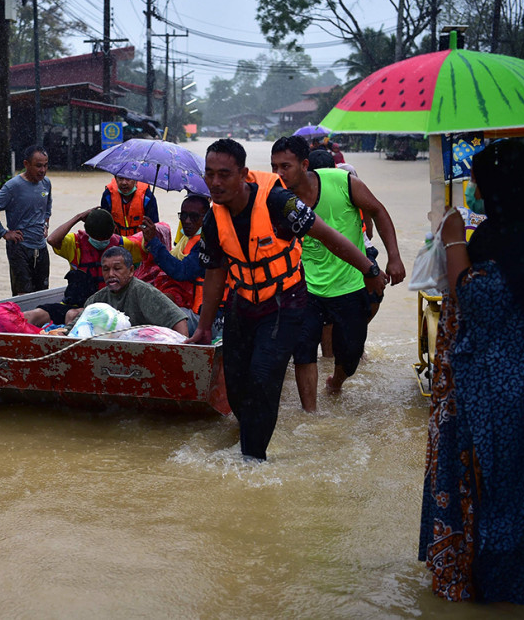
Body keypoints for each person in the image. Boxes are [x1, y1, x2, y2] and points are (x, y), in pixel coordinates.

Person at [418, 139, 524, 604]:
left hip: (494, 396)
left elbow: (475, 298)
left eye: (480, 181)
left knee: (496, 485)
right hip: (498, 389)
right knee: (505, 488)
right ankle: (486, 583)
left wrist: (455, 236)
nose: (474, 189)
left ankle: (488, 586)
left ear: (502, 187)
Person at [188, 139, 387, 461]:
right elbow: (215, 273)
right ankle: (251, 435)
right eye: (209, 174)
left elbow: (327, 235)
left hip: (286, 300)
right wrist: (205, 327)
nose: (215, 183)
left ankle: (252, 461)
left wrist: (370, 268)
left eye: (224, 174)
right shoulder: (214, 219)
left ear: (243, 174)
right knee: (236, 385)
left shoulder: (279, 202)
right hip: (243, 301)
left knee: (264, 378)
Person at [271, 136, 406, 412]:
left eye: (285, 166)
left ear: (304, 165)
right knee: (304, 349)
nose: (278, 174)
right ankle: (310, 414)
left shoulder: (342, 182)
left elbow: (377, 210)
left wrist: (394, 257)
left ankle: (337, 381)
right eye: (274, 167)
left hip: (351, 282)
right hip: (305, 285)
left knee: (352, 355)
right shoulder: (278, 199)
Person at [25, 207, 143, 326]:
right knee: (33, 315)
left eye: (105, 240)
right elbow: (52, 239)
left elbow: (147, 252)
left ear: (114, 231)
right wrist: (78, 217)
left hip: (107, 308)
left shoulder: (125, 245)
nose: (101, 243)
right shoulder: (75, 243)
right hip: (72, 303)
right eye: (96, 239)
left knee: (72, 315)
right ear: (87, 232)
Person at [0, 144, 52, 296]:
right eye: (38, 166)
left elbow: (48, 205)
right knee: (22, 295)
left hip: (40, 245)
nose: (42, 170)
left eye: (45, 165)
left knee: (42, 293)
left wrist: (46, 224)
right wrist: (3, 233)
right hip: (19, 246)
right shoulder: (13, 186)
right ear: (26, 164)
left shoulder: (46, 183)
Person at [140, 194, 211, 333]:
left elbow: (181, 271)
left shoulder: (207, 244)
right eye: (183, 216)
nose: (187, 221)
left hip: (202, 317)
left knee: (152, 319)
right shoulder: (188, 239)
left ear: (206, 218)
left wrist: (154, 241)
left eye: (194, 217)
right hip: (189, 305)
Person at [81, 246, 189, 335]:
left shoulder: (144, 292)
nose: (110, 274)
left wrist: (181, 352)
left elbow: (178, 320)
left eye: (117, 269)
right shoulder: (96, 300)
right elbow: (74, 327)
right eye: (106, 269)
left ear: (131, 271)